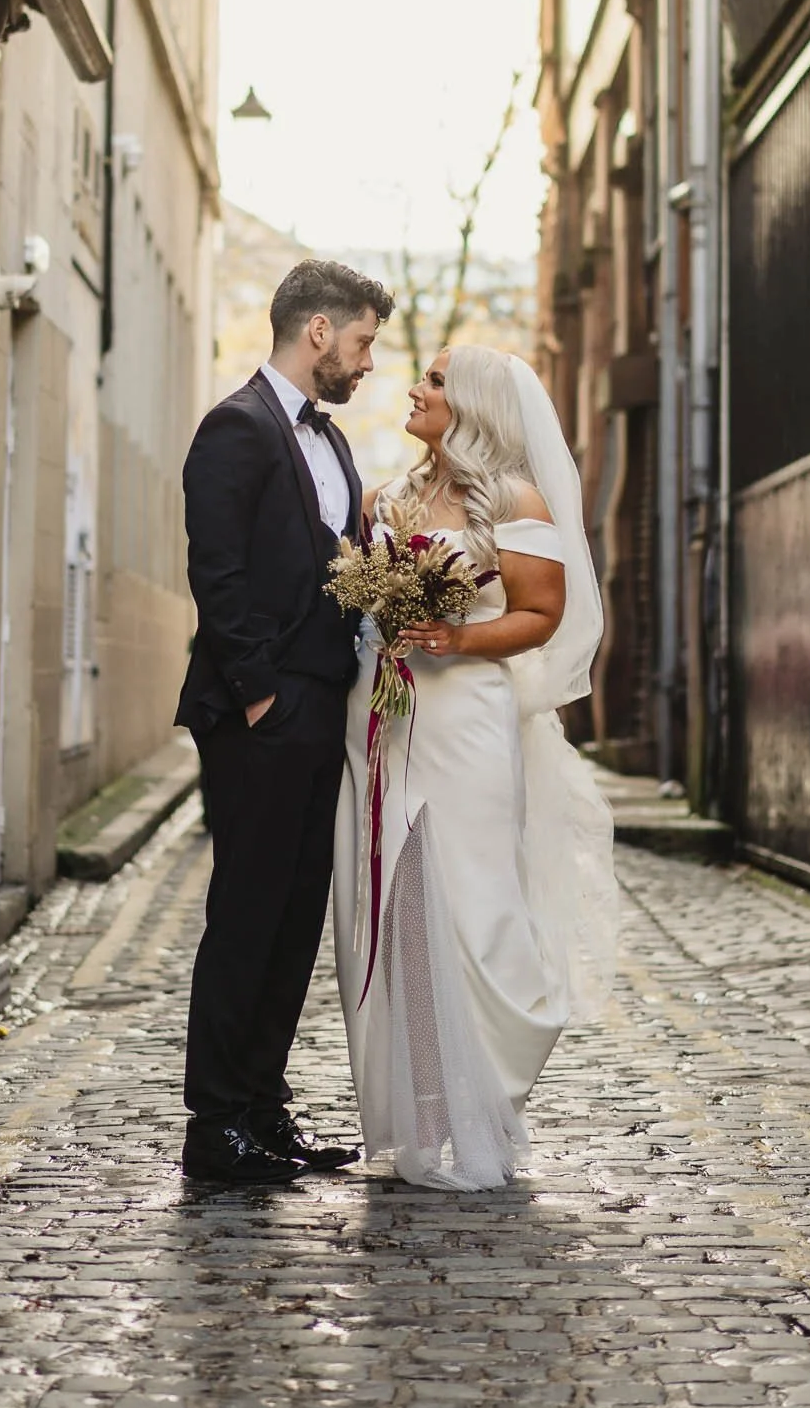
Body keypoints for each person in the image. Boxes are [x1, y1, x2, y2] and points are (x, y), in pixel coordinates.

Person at [333, 344, 616, 1190]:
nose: (415, 389)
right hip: (382, 717)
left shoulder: (515, 502)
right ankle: (420, 1117)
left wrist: (457, 636)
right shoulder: (386, 498)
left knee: (474, 906)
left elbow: (541, 613)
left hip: (468, 722)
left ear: (476, 404)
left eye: (433, 379)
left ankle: (486, 1094)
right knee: (394, 909)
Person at [177, 258, 394, 1185]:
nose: (367, 362)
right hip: (259, 711)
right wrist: (261, 691)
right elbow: (216, 571)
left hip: (322, 707)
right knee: (247, 915)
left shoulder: (333, 444)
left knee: (297, 917)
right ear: (318, 332)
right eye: (362, 342)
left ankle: (263, 1112)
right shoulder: (236, 427)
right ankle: (214, 1123)